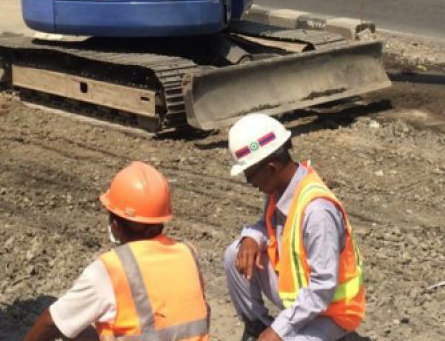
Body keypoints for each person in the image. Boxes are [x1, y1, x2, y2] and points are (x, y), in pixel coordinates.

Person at [24, 162, 210, 341]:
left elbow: (52, 322)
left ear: (115, 224)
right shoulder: (188, 254)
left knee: (70, 327)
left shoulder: (111, 270)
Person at [223, 114, 365, 341]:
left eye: (250, 176)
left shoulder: (317, 212)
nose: (251, 184)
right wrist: (251, 237)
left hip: (331, 311)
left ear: (270, 169)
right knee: (234, 253)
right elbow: (267, 226)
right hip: (301, 299)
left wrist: (280, 330)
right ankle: (257, 328)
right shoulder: (281, 189)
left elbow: (323, 287)